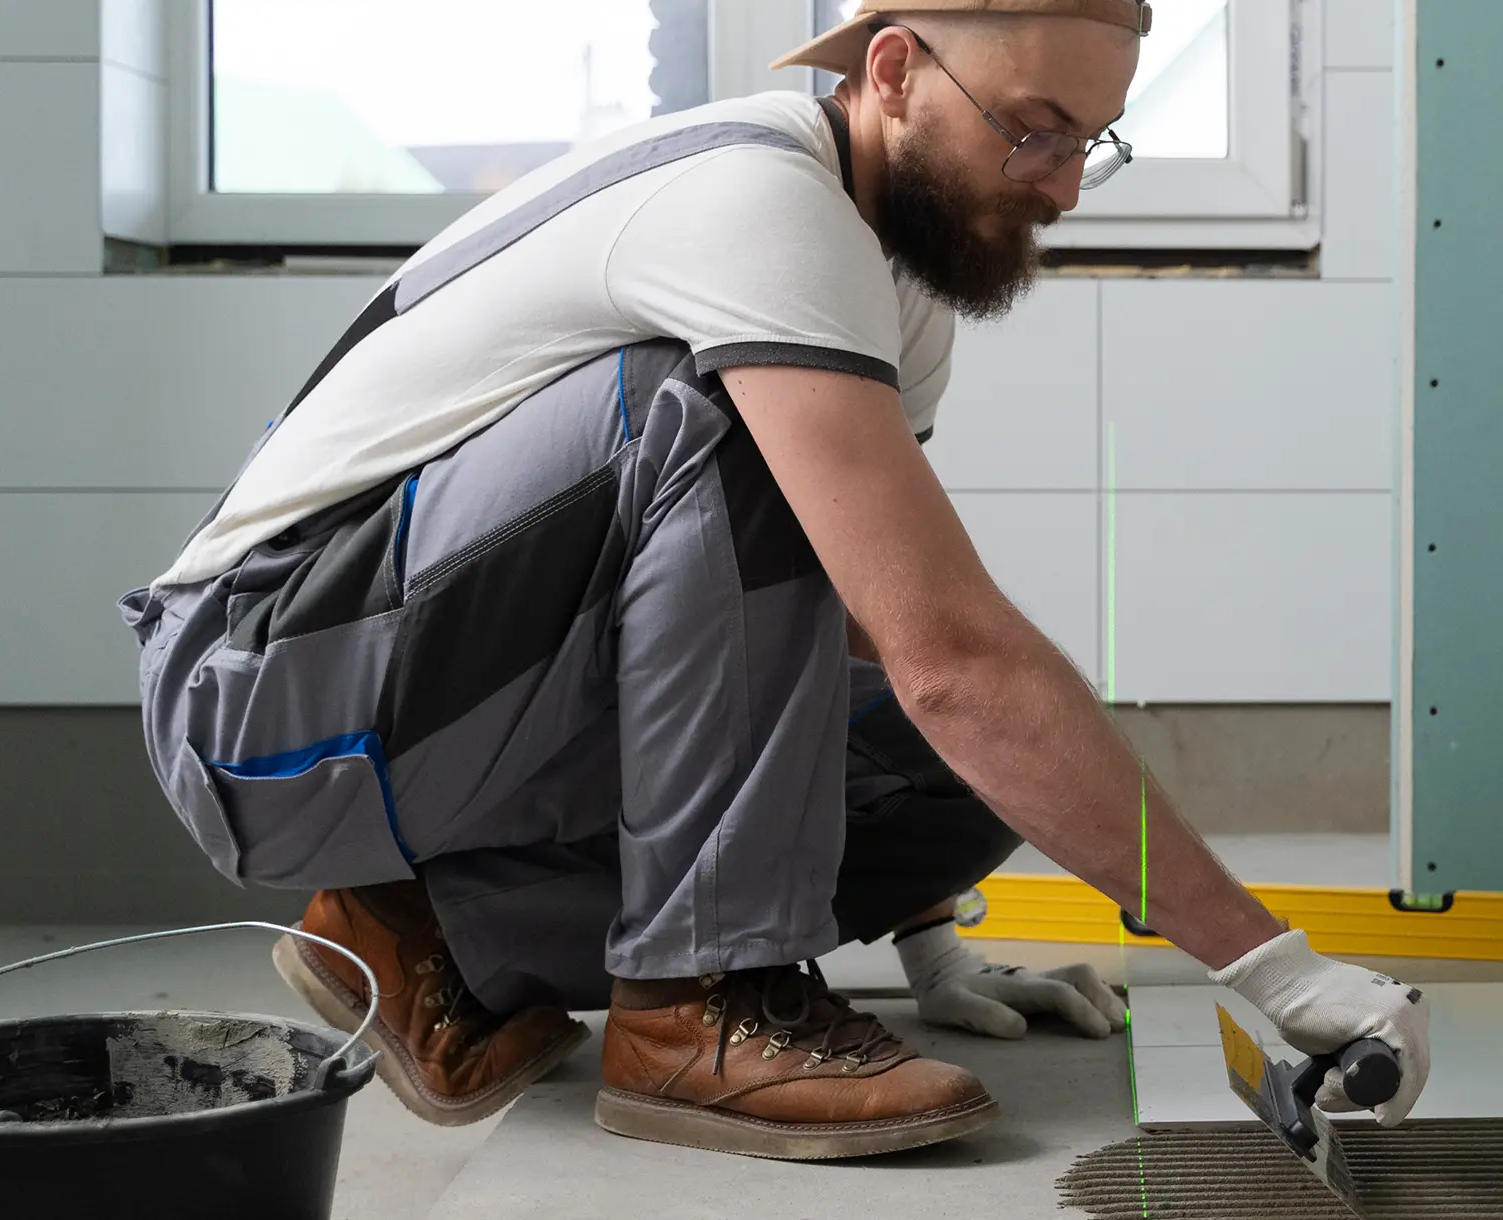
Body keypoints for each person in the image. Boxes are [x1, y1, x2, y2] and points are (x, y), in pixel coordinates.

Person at [118, 0, 1428, 1160]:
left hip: (443, 697)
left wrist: (932, 938)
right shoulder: (758, 200)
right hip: (260, 693)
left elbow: (845, 619)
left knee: (958, 768)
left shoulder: (898, 283)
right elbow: (951, 652)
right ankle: (696, 1004)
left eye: (1093, 143)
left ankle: (431, 929)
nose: (1066, 188)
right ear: (895, 72)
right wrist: (1276, 969)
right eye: (1035, 132)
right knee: (733, 428)